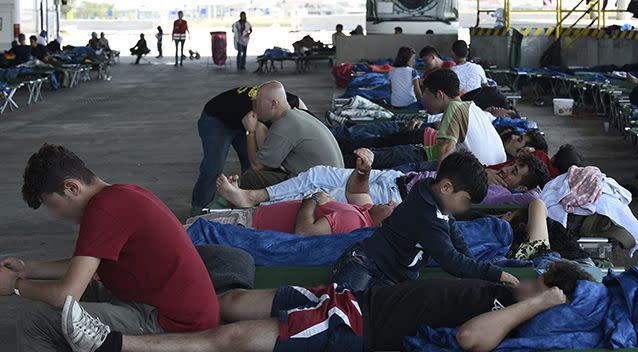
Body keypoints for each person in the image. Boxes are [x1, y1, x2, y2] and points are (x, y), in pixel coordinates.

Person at [59, 260, 592, 352]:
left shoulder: (510, 316)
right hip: (351, 300)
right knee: (231, 301)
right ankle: (124, 304)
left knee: (230, 340)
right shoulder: (503, 292)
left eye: (536, 283)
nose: (525, 281)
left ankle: (112, 343)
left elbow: (472, 340)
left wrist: (540, 300)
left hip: (355, 327)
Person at [1, 144, 219, 351]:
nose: (56, 214)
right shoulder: (120, 195)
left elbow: (66, 295)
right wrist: (27, 269)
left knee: (37, 321)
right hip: (165, 307)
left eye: (53, 205)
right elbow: (86, 266)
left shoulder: (104, 211)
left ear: (71, 188)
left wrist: (16, 284)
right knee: (73, 296)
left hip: (174, 325)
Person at [330, 151, 520, 292]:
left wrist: (475, 270)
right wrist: (496, 274)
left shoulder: (427, 190)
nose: (466, 208)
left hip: (389, 275)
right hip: (363, 266)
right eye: (466, 201)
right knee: (344, 315)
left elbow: (457, 240)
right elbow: (452, 261)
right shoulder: (427, 218)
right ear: (446, 187)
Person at [218, 151, 550, 209]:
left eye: (515, 174)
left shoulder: (498, 194)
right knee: (317, 172)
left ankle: (252, 201)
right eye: (512, 166)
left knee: (322, 191)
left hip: (396, 197)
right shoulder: (490, 174)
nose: (507, 171)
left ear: (521, 186)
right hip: (397, 179)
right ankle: (254, 193)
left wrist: (523, 188)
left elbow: (537, 198)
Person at [207, 149, 397, 235]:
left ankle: (247, 197)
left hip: (249, 226)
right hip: (253, 217)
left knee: (189, 235)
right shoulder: (366, 213)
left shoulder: (354, 222)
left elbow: (305, 231)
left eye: (394, 208)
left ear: (387, 223)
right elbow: (357, 192)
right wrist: (364, 170)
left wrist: (312, 199)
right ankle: (245, 198)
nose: (392, 202)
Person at [190, 85, 307, 216]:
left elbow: (308, 126)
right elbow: (260, 164)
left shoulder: (296, 105)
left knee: (249, 169)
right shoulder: (265, 115)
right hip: (216, 118)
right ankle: (198, 211)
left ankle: (245, 206)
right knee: (213, 168)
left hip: (242, 120)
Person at [239, 81, 344, 190]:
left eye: (257, 103)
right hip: (333, 182)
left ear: (274, 104)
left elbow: (257, 166)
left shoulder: (283, 126)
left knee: (250, 178)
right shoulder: (298, 115)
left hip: (321, 188)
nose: (254, 107)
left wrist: (250, 132)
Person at [423, 68, 507, 165]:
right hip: (490, 169)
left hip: (471, 173)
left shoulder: (454, 107)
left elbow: (446, 150)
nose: (424, 97)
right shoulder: (474, 107)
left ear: (439, 94)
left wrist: (438, 180)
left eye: (426, 93)